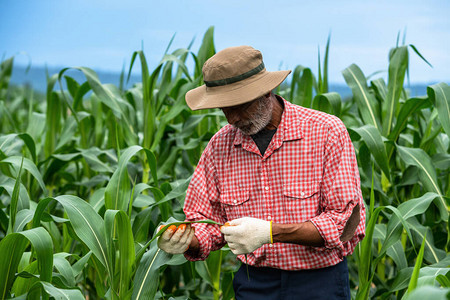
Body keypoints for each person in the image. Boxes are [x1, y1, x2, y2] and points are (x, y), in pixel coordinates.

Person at [157, 45, 366, 299]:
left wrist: (270, 233)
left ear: (267, 92)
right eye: (223, 108)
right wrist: (185, 239)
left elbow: (344, 223)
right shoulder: (219, 147)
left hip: (319, 282)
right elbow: (206, 222)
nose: (231, 118)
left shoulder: (326, 133)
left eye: (238, 106)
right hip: (254, 284)